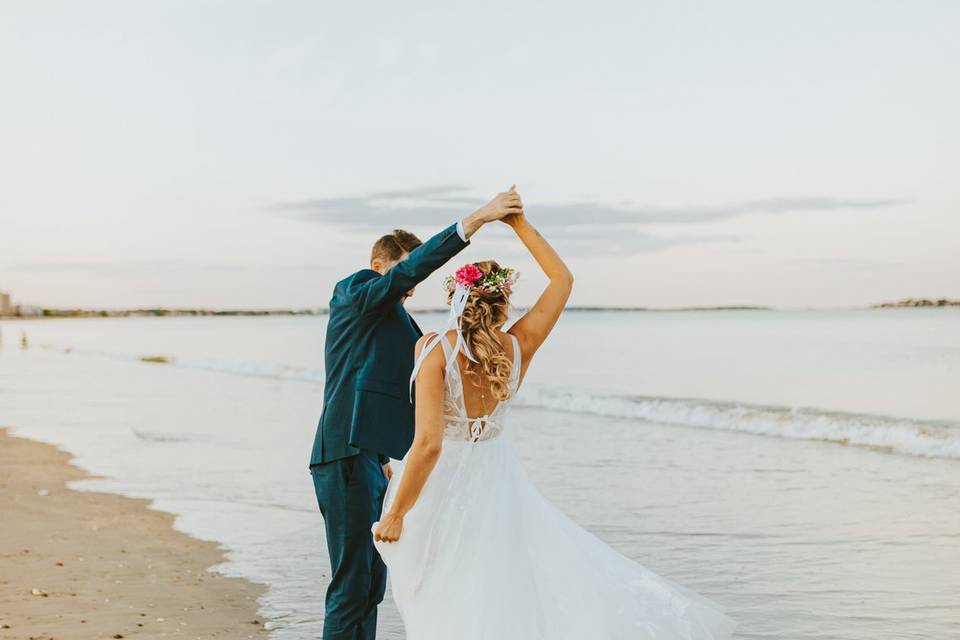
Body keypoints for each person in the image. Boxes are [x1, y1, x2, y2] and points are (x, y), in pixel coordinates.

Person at [373, 209, 736, 639]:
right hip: (497, 481)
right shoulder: (519, 345)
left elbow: (430, 444)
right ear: (502, 302)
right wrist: (518, 224)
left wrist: (396, 513)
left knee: (443, 590)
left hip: (441, 485)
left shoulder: (433, 348)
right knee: (496, 589)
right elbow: (562, 280)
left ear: (457, 298)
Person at [309, 186, 524, 640]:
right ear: (380, 267)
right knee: (351, 586)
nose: (408, 290)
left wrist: (386, 458)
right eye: (403, 277)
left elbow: (386, 387)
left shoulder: (396, 319)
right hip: (342, 455)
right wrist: (476, 220)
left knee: (371, 585)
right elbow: (405, 274)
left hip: (368, 457)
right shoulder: (355, 291)